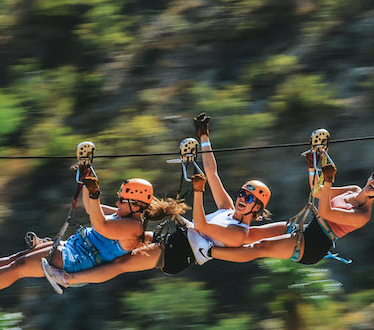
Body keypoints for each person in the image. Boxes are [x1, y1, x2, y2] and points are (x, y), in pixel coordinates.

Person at [41, 113, 277, 288]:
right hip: (175, 238)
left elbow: (202, 225)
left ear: (257, 207)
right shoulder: (227, 209)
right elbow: (213, 173)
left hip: (178, 253)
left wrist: (197, 192)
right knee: (123, 224)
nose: (241, 199)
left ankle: (69, 279)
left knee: (121, 264)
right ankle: (59, 241)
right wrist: (204, 137)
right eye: (241, 194)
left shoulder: (239, 233)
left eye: (248, 197)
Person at [0, 177, 185, 300]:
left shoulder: (132, 228)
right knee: (17, 258)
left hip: (78, 260)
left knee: (20, 267)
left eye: (121, 200)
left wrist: (96, 194)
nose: (118, 202)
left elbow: (99, 223)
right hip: (76, 249)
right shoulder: (125, 216)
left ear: (134, 205)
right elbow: (91, 208)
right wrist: (88, 179)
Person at [190, 160, 374, 266]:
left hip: (314, 244)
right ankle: (215, 236)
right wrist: (313, 167)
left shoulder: (363, 215)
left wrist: (328, 181)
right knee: (252, 233)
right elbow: (317, 191)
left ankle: (208, 253)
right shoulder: (353, 189)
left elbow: (325, 211)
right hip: (308, 229)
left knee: (259, 247)